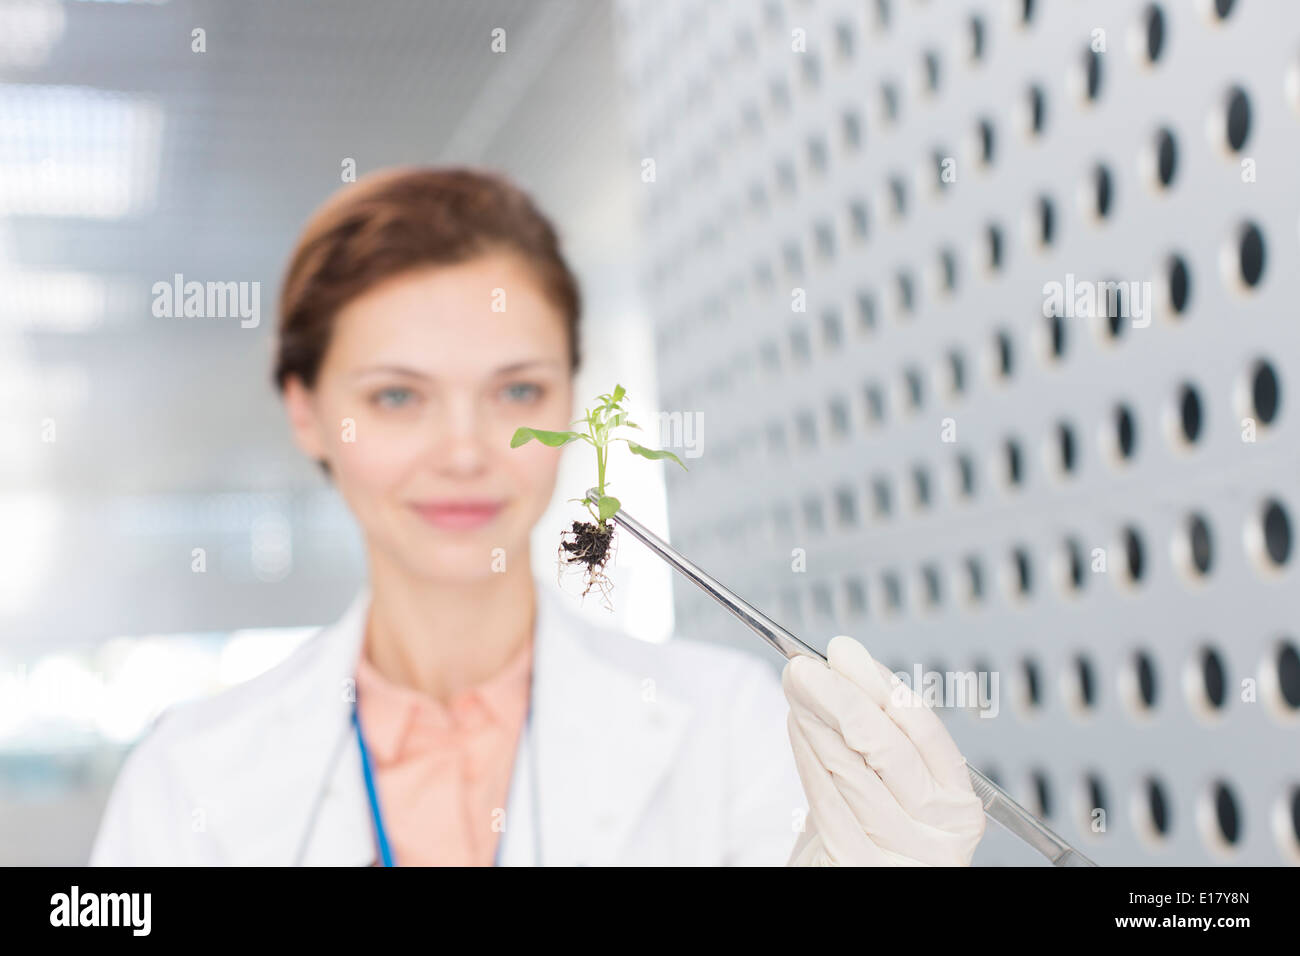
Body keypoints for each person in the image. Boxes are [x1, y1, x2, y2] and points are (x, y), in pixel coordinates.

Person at [89, 166, 985, 866]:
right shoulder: (188, 775)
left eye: (517, 389)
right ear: (306, 411)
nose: (467, 450)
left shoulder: (732, 727)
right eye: (398, 396)